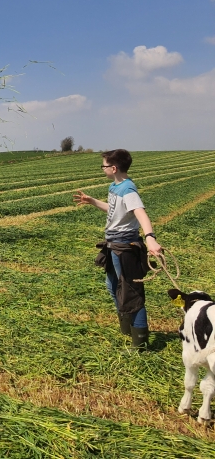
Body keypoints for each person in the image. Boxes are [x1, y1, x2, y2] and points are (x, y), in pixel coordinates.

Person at [74, 149, 162, 350]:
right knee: (112, 285)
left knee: (130, 292)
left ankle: (140, 342)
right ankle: (127, 328)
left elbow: (140, 213)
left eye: (103, 166)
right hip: (113, 243)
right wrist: (92, 201)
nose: (102, 169)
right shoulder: (115, 187)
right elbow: (114, 209)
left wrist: (150, 238)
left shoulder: (128, 189)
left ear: (113, 168)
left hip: (124, 246)